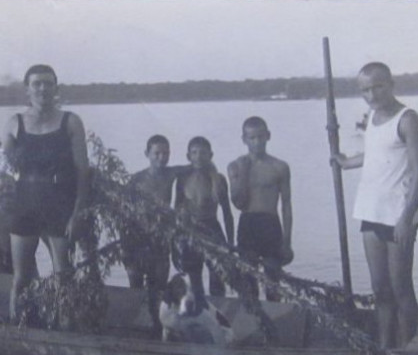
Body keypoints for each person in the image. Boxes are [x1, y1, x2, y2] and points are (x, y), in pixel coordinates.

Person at [333, 61, 418, 349]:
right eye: (365, 90)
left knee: (401, 288)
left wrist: (406, 217)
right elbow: (377, 152)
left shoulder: (408, 119)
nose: (372, 95)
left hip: (398, 214)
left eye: (377, 87)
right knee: (380, 289)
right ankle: (385, 349)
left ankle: (406, 351)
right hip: (371, 212)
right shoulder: (373, 118)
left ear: (391, 84)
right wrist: (347, 162)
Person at [1, 65, 91, 323]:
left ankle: (65, 330)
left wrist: (78, 213)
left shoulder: (70, 121)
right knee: (21, 277)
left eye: (48, 83)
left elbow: (83, 171)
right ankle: (16, 331)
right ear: (27, 89)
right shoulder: (15, 123)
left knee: (63, 274)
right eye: (37, 83)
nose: (43, 89)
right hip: (26, 201)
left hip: (60, 202)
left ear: (56, 88)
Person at [226, 116, 293, 296]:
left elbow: (286, 206)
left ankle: (274, 320)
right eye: (252, 138)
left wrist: (287, 242)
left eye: (260, 137)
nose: (257, 142)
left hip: (270, 224)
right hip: (248, 223)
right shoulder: (235, 166)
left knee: (273, 282)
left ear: (268, 136)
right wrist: (245, 173)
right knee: (248, 282)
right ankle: (254, 322)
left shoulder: (280, 167)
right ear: (244, 140)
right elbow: (238, 203)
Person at [124, 135, 177, 333]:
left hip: (160, 239)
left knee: (159, 285)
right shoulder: (136, 179)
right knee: (136, 284)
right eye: (157, 153)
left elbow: (194, 166)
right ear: (147, 154)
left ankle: (158, 326)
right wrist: (126, 246)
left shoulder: (171, 174)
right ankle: (136, 326)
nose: (162, 158)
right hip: (137, 238)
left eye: (166, 153)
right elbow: (125, 212)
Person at [172, 136, 234, 302]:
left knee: (217, 279)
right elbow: (176, 211)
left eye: (203, 153)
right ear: (188, 156)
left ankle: (219, 316)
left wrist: (230, 243)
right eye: (194, 153)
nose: (199, 156)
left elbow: (227, 213)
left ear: (210, 155)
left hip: (212, 230)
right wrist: (174, 242)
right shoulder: (183, 179)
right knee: (192, 281)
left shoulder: (219, 179)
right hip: (190, 232)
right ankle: (196, 318)